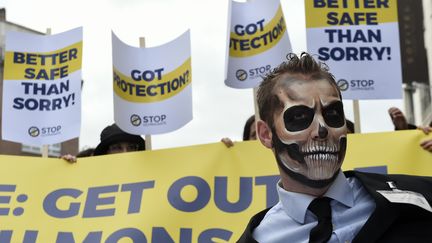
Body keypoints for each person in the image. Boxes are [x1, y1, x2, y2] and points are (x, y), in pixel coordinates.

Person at [237, 53, 432, 243]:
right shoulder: (258, 238)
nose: (322, 130)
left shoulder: (418, 199)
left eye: (332, 114)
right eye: (299, 117)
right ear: (265, 134)